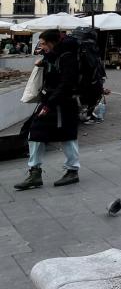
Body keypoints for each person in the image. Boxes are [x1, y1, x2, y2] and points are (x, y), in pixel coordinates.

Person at [15, 29, 81, 190]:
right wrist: (44, 61)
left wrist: (49, 105)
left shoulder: (68, 57)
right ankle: (35, 173)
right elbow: (54, 72)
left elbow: (66, 83)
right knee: (35, 133)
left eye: (44, 43)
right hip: (51, 101)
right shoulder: (55, 55)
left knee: (67, 136)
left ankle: (72, 171)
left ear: (53, 42)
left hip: (62, 104)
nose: (41, 46)